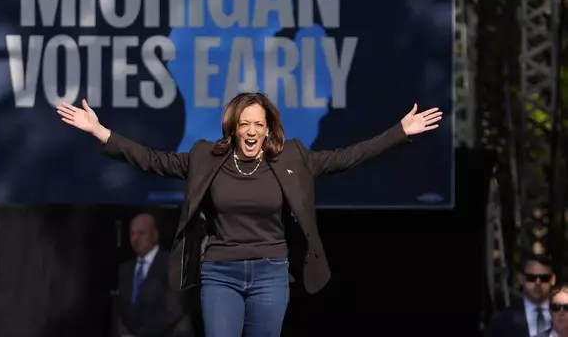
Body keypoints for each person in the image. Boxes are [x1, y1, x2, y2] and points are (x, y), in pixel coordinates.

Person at [56, 92, 442, 337]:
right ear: (234, 127)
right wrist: (102, 132)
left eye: (259, 123)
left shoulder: (291, 156)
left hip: (271, 273)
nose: (252, 131)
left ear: (269, 127)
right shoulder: (208, 157)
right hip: (220, 273)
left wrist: (399, 132)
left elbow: (347, 157)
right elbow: (154, 160)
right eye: (245, 124)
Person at [115, 213, 194, 337]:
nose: (135, 239)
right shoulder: (125, 270)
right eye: (132, 234)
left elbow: (173, 310)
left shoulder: (173, 265)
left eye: (141, 233)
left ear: (155, 235)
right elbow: (121, 311)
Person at [485, 254, 556, 337]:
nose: (538, 283)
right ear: (521, 279)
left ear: (552, 279)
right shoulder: (501, 320)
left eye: (544, 278)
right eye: (531, 278)